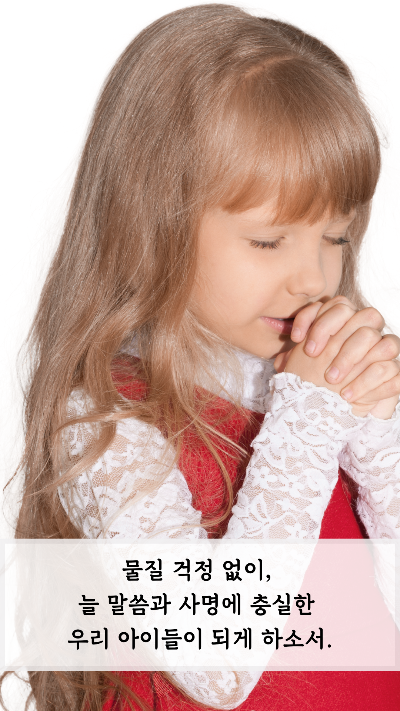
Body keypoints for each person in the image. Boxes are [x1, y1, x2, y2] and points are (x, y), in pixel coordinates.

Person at [2, 3, 400, 710]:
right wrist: (309, 417)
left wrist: (375, 427)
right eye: (268, 241)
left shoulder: (307, 381)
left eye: (335, 237)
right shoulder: (102, 420)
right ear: (154, 224)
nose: (313, 278)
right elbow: (216, 661)